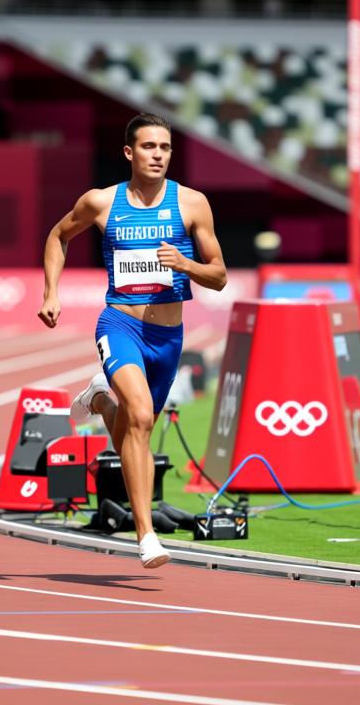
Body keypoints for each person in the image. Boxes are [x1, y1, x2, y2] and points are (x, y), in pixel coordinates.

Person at [38, 113, 227, 568]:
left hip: (167, 337)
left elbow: (218, 275)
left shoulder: (192, 203)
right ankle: (146, 537)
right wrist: (50, 291)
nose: (158, 155)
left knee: (131, 428)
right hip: (119, 325)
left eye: (164, 147)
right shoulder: (102, 203)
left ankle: (100, 402)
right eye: (148, 147)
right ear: (129, 152)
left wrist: (186, 266)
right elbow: (58, 236)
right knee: (141, 417)